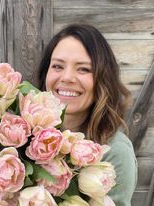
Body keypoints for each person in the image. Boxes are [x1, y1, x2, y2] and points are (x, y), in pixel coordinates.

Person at [37, 24, 137, 206]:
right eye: (58, 66)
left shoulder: (115, 151)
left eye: (83, 69)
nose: (67, 77)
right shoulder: (24, 138)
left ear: (103, 79)